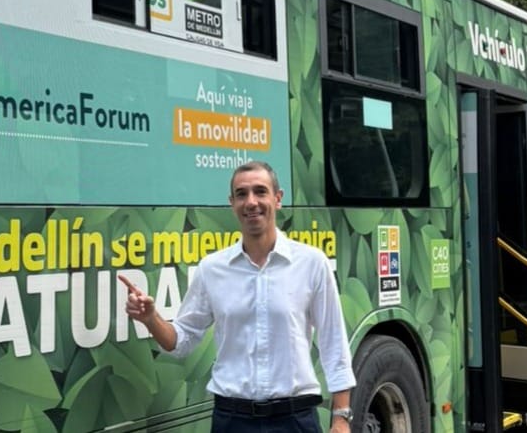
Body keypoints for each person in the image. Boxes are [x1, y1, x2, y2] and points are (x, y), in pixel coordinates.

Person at [118, 161, 355, 433]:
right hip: (232, 420)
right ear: (232, 203)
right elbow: (180, 341)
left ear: (277, 199)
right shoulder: (212, 269)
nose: (251, 202)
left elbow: (334, 344)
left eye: (260, 191)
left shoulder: (312, 263)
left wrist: (340, 418)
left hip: (294, 420)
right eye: (242, 194)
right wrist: (151, 319)